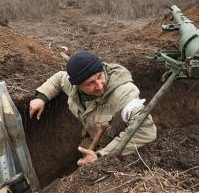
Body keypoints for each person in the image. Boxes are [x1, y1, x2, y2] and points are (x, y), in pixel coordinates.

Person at [29, 51, 157, 165]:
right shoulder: (72, 86)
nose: (100, 86)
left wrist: (101, 155)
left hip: (122, 151)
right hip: (94, 141)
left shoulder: (125, 94)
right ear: (77, 85)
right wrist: (41, 97)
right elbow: (59, 78)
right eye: (90, 83)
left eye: (100, 76)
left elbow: (145, 131)